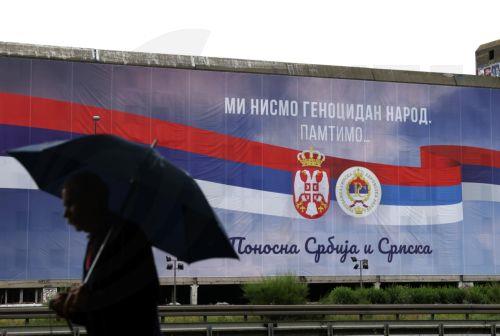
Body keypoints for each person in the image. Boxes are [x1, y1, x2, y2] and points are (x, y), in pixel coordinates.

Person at [50, 172, 161, 336]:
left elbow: (145, 298)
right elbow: (99, 314)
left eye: (70, 204)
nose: (66, 214)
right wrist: (72, 306)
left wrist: (91, 300)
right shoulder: (96, 241)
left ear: (91, 202)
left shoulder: (127, 236)